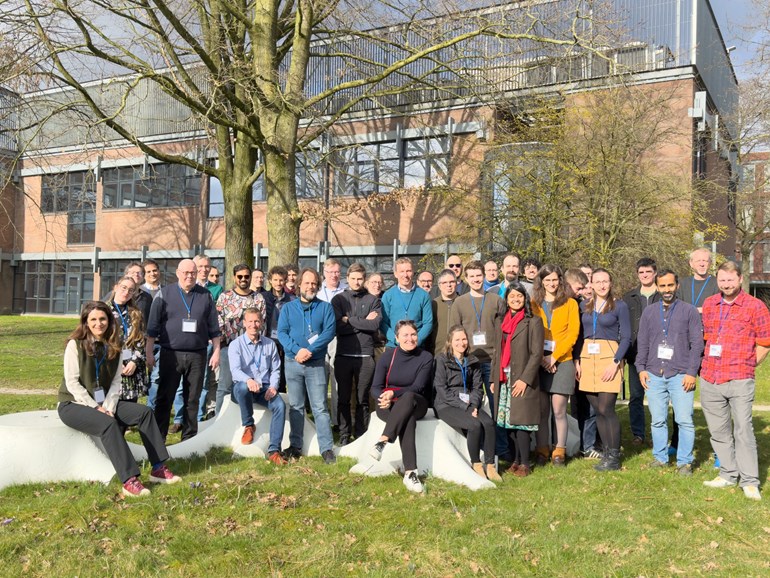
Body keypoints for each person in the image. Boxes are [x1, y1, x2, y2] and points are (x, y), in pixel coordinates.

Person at [58, 301, 181, 497]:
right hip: (73, 404)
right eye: (93, 319)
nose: (98, 323)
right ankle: (129, 479)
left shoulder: (114, 346)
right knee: (108, 424)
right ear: (86, 322)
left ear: (109, 320)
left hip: (103, 403)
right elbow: (72, 383)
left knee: (144, 413)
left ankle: (158, 468)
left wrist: (108, 406)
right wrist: (96, 408)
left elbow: (116, 382)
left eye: (102, 319)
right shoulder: (75, 345)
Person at [700, 261, 770, 500]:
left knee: (743, 431)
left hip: (740, 378)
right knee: (718, 431)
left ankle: (749, 481)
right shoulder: (710, 304)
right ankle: (728, 473)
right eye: (722, 280)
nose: (726, 284)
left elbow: (765, 342)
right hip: (711, 377)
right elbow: (708, 338)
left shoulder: (755, 306)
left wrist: (748, 364)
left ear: (740, 279)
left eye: (730, 280)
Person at [635, 269, 703, 475]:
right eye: (663, 285)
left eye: (670, 285)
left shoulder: (689, 311)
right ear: (657, 287)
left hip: (681, 374)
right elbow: (642, 342)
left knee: (684, 420)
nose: (667, 289)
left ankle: (684, 462)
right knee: (657, 420)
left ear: (677, 286)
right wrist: (641, 368)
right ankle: (660, 457)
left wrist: (691, 372)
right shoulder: (649, 312)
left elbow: (697, 344)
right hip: (654, 374)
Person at [145, 259, 221, 440]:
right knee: (165, 397)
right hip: (170, 353)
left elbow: (214, 327)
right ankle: (158, 439)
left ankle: (189, 439)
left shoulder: (205, 295)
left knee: (192, 399)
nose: (189, 276)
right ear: (178, 273)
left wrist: (217, 351)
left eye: (193, 273)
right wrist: (149, 352)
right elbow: (152, 327)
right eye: (186, 273)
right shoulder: (164, 294)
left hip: (198, 354)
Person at [277, 268, 337, 464]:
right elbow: (282, 333)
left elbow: (329, 332)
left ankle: (326, 448)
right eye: (307, 283)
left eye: (314, 283)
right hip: (292, 363)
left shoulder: (325, 308)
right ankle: (295, 446)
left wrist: (310, 350)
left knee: (320, 407)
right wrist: (297, 351)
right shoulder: (287, 308)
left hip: (316, 364)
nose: (310, 286)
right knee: (296, 406)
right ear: (299, 285)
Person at [449, 260, 507, 457]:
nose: (476, 279)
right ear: (466, 279)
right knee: (471, 404)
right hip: (470, 362)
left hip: (492, 361)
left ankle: (502, 449)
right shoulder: (460, 302)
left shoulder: (496, 300)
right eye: (472, 276)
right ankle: (476, 447)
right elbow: (454, 333)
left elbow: (503, 332)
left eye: (478, 275)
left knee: (496, 404)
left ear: (484, 276)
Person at [369, 320, 433, 493]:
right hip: (388, 404)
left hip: (416, 401)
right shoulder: (387, 356)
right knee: (407, 418)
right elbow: (375, 387)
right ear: (396, 338)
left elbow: (417, 387)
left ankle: (383, 440)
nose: (410, 339)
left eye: (413, 334)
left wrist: (393, 393)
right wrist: (383, 397)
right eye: (405, 335)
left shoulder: (426, 357)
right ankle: (411, 473)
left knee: (408, 397)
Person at [578, 268, 631, 471]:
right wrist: (577, 361)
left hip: (609, 358)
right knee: (597, 411)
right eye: (597, 281)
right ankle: (606, 453)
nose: (601, 285)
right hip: (587, 358)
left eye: (605, 281)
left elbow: (626, 337)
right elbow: (578, 335)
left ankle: (614, 457)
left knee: (606, 409)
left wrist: (615, 362)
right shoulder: (584, 305)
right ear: (591, 284)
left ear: (610, 283)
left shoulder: (619, 306)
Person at [434, 326, 501, 482]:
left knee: (489, 423)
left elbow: (478, 388)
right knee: (474, 425)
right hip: (446, 404)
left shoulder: (473, 361)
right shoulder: (441, 360)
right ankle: (476, 464)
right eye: (457, 339)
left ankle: (490, 465)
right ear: (450, 342)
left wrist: (474, 405)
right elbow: (441, 390)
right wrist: (465, 406)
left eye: (464, 339)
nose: (461, 343)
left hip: (469, 402)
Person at [530, 265, 580, 466]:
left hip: (562, 361)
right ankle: (542, 449)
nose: (551, 284)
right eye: (547, 280)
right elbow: (532, 332)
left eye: (554, 279)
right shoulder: (534, 303)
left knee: (559, 410)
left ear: (560, 280)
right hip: (540, 361)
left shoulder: (570, 303)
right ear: (541, 282)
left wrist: (554, 358)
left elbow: (573, 334)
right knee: (542, 411)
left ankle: (559, 450)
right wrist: (543, 358)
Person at [494, 282, 544, 477]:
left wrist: (525, 379)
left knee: (522, 423)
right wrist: (494, 379)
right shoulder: (501, 321)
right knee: (509, 423)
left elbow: (536, 354)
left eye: (519, 296)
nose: (515, 299)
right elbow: (497, 352)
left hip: (522, 378)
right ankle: (515, 460)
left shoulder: (533, 322)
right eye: (512, 296)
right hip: (504, 377)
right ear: (506, 300)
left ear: (525, 299)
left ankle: (525, 463)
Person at [229, 308, 287, 465]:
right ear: (244, 323)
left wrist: (273, 387)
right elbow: (235, 371)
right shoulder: (236, 345)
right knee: (242, 387)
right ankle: (249, 425)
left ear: (261, 323)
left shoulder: (270, 344)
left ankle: (274, 451)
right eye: (250, 321)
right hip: (242, 388)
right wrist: (248, 380)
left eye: (256, 321)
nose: (253, 325)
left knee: (280, 405)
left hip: (264, 388)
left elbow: (275, 370)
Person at [332, 263, 381, 445]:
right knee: (344, 398)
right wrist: (362, 322)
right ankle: (344, 435)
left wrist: (349, 320)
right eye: (353, 278)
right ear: (347, 278)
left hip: (365, 356)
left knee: (363, 399)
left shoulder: (373, 300)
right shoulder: (338, 300)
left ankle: (361, 434)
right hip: (343, 355)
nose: (356, 282)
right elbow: (337, 327)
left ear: (364, 279)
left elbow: (373, 325)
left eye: (360, 278)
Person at [215, 264, 267, 415]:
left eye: (246, 276)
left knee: (250, 385)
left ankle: (245, 418)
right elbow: (218, 322)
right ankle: (220, 420)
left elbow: (262, 324)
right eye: (240, 276)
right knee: (225, 386)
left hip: (252, 349)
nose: (243, 279)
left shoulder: (258, 298)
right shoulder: (225, 297)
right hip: (229, 347)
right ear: (234, 277)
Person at [564, 268, 601, 459]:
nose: (581, 292)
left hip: (579, 360)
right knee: (569, 407)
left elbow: (579, 337)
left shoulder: (580, 305)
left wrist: (578, 359)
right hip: (560, 360)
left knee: (587, 403)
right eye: (578, 288)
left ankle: (588, 445)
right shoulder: (558, 304)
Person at [623, 257, 660, 446]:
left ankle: (658, 433)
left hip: (658, 356)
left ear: (655, 273)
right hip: (635, 355)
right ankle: (638, 433)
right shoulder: (628, 297)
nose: (645, 275)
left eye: (648, 272)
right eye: (641, 272)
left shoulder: (663, 295)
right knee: (636, 396)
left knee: (657, 398)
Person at [105, 276, 148, 402]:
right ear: (116, 287)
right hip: (111, 365)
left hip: (131, 367)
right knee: (110, 406)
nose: (126, 292)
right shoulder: (104, 311)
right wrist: (117, 363)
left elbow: (141, 340)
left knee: (130, 407)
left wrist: (134, 362)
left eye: (131, 290)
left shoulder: (136, 313)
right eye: (123, 288)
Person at [380, 257, 433, 348]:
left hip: (417, 347)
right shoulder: (388, 295)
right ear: (395, 274)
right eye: (402, 271)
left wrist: (416, 340)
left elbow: (428, 323)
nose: (405, 275)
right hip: (394, 346)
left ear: (413, 272)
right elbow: (383, 323)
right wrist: (395, 339)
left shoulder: (424, 295)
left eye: (408, 271)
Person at [318, 258, 346, 428]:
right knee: (320, 381)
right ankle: (321, 421)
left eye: (337, 272)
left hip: (338, 338)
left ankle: (336, 421)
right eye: (330, 272)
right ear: (324, 272)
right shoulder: (317, 291)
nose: (334, 275)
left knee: (337, 381)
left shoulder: (346, 290)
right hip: (320, 339)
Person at [264, 266, 296, 391]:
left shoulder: (292, 299)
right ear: (270, 281)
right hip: (267, 339)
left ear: (285, 281)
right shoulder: (262, 297)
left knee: (281, 374)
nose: (278, 283)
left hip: (284, 341)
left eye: (281, 280)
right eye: (275, 280)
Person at [430, 269, 458, 357]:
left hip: (459, 353)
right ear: (439, 285)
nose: (448, 285)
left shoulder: (463, 302)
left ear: (456, 283)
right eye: (444, 282)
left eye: (452, 282)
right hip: (437, 353)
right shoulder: (433, 304)